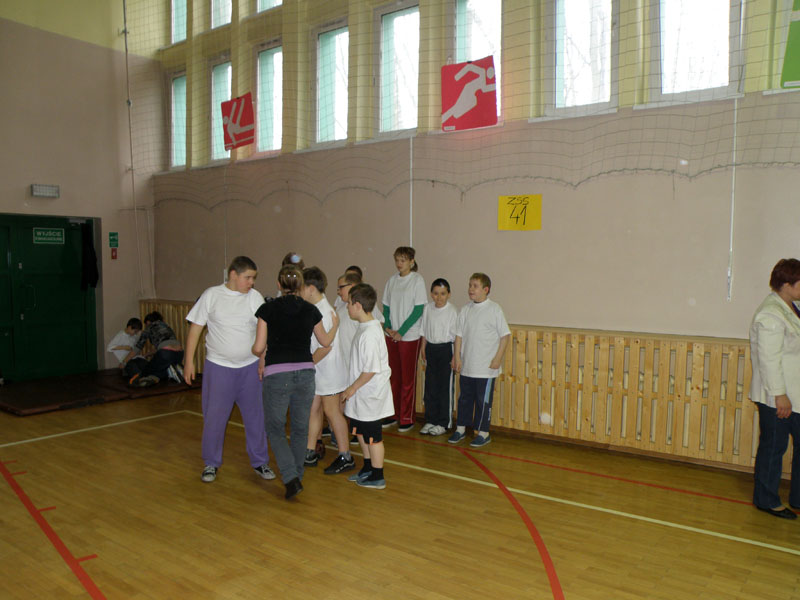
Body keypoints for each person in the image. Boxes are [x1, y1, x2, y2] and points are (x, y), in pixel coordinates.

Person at [183, 256, 275, 484]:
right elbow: (195, 330)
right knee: (214, 418)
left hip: (249, 368)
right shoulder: (211, 295)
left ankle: (260, 461)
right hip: (219, 368)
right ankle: (211, 463)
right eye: (248, 278)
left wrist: (263, 360)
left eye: (253, 278)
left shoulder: (254, 298)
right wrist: (189, 361)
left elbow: (264, 333)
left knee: (256, 418)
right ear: (233, 274)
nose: (251, 282)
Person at [253, 265, 338, 500]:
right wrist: (336, 325)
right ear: (300, 285)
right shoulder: (311, 310)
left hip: (277, 375)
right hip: (305, 374)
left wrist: (254, 350)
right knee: (300, 428)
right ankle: (296, 477)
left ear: (279, 285)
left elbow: (259, 348)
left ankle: (291, 477)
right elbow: (325, 341)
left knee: (275, 428)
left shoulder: (267, 309)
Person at [749, 258, 800, 519]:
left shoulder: (792, 307)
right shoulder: (770, 314)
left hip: (796, 394)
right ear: (787, 285)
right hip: (777, 396)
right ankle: (766, 500)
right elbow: (769, 360)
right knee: (774, 448)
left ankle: (798, 497)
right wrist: (780, 395)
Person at [300, 267, 354, 475]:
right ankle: (310, 451)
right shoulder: (314, 308)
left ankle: (346, 456)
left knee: (332, 412)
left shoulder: (323, 312)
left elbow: (325, 347)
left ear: (311, 288)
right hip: (318, 370)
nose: (299, 292)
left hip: (329, 370)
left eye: (301, 288)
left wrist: (307, 364)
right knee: (313, 409)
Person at [448, 273, 511, 448]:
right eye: (470, 285)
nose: (471, 289)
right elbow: (459, 336)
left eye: (475, 286)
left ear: (486, 289)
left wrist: (497, 359)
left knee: (483, 401)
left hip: (486, 369)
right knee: (464, 399)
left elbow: (505, 336)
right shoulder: (465, 310)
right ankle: (460, 429)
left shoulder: (494, 309)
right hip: (468, 366)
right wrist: (457, 357)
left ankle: (483, 433)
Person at [343, 283, 394, 489]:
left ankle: (378, 475)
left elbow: (371, 369)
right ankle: (368, 467)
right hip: (361, 394)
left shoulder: (371, 333)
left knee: (373, 437)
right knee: (360, 431)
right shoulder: (364, 327)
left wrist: (352, 388)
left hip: (370, 394)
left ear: (357, 305)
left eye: (348, 303)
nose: (347, 307)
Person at [382, 246, 427, 432]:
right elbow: (386, 307)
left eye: (403, 260)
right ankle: (393, 414)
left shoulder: (417, 280)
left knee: (408, 379)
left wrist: (401, 331)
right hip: (392, 336)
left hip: (409, 336)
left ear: (411, 262)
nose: (399, 264)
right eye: (397, 260)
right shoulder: (392, 281)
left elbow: (418, 309)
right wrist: (388, 327)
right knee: (393, 377)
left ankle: (407, 417)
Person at [419, 278, 458, 436]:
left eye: (442, 294)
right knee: (430, 387)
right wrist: (423, 348)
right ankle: (431, 420)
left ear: (448, 294)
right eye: (436, 293)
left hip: (446, 350)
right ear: (431, 294)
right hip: (431, 349)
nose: (439, 297)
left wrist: (455, 356)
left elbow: (456, 336)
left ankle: (443, 422)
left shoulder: (452, 311)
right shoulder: (428, 308)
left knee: (444, 388)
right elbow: (424, 330)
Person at [122, 311, 184, 387]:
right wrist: (146, 355)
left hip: (165, 354)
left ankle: (162, 374)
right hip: (179, 353)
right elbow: (163, 346)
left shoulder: (149, 328)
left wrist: (124, 362)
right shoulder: (166, 326)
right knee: (159, 367)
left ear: (148, 322)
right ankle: (172, 369)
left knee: (147, 370)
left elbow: (137, 348)